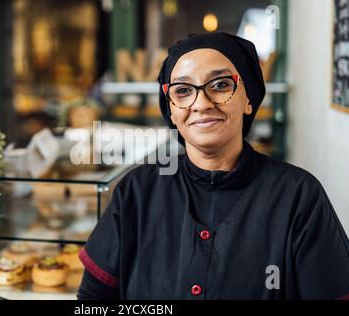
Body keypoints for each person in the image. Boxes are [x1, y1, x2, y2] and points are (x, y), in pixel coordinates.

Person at [76, 32, 349, 300]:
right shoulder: (137, 191)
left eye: (220, 85)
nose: (201, 104)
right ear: (171, 109)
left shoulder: (298, 196)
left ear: (249, 99)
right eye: (182, 90)